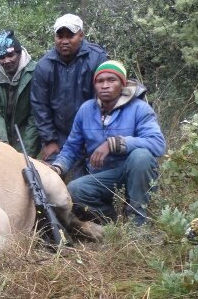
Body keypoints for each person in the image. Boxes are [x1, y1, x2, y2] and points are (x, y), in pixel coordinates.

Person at [51, 61, 166, 225]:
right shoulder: (86, 110)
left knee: (142, 156)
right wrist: (58, 167)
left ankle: (138, 224)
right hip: (102, 177)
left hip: (133, 174)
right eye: (100, 81)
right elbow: (71, 148)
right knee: (74, 190)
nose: (105, 85)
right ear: (95, 85)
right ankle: (115, 221)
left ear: (123, 84)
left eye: (112, 80)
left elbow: (157, 143)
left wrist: (115, 144)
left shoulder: (140, 108)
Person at [31, 14, 108, 166]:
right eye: (60, 36)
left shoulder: (97, 59)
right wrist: (49, 140)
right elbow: (40, 106)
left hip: (92, 132)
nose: (64, 41)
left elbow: (105, 102)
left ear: (81, 35)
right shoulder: (44, 65)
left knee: (88, 182)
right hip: (58, 135)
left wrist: (95, 137)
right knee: (52, 178)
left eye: (70, 36)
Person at [0, 30, 39, 156]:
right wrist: (2, 144)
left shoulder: (36, 73)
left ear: (19, 53)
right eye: (1, 57)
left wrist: (27, 151)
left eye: (10, 55)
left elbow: (35, 116)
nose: (6, 61)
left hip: (26, 130)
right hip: (4, 130)